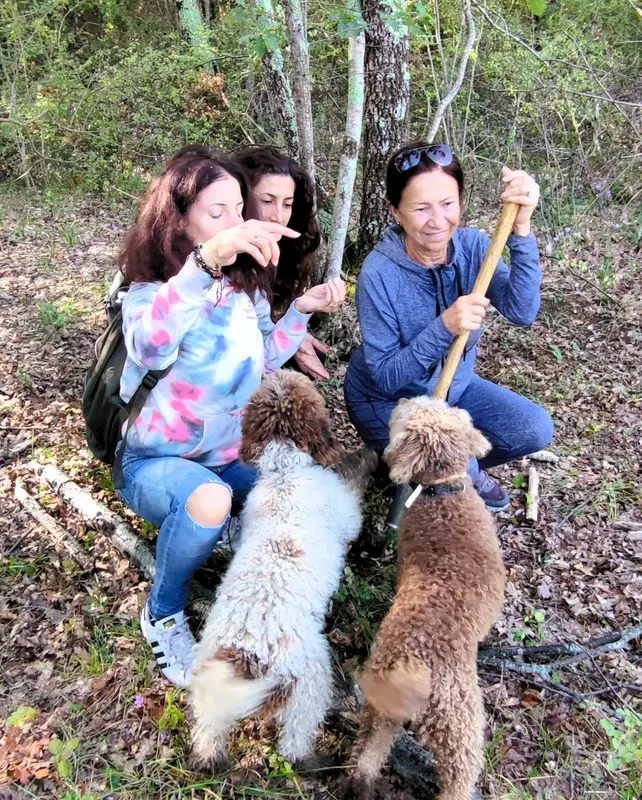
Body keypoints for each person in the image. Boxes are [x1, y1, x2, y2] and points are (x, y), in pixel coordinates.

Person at [115, 145, 346, 686]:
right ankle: (163, 613)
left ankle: (251, 562)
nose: (235, 222)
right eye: (216, 212)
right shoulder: (150, 293)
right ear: (180, 219)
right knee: (210, 500)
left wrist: (302, 311)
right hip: (154, 462)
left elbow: (261, 358)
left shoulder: (242, 288)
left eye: (236, 209)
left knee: (302, 486)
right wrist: (203, 264)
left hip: (222, 456)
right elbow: (150, 348)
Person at [344, 142, 553, 512]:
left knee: (534, 429)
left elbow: (523, 311)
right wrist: (445, 326)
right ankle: (425, 465)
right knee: (453, 472)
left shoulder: (473, 248)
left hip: (454, 387)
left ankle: (448, 470)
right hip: (390, 400)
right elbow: (388, 377)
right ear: (395, 211)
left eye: (448, 204)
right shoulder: (379, 274)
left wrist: (521, 232)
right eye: (421, 208)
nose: (438, 221)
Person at [234, 145, 331, 380]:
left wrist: (300, 313)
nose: (279, 216)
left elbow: (265, 345)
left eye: (287, 204)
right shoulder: (213, 263)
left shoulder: (261, 261)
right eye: (267, 201)